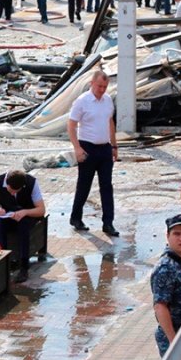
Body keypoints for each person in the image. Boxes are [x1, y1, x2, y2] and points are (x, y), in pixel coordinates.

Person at [68, 70, 119, 236]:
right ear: (92, 83)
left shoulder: (108, 100)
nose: (102, 90)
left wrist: (114, 146)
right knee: (84, 184)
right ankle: (76, 217)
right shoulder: (82, 101)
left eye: (105, 87)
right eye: (99, 86)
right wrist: (77, 148)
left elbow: (110, 123)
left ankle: (108, 223)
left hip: (104, 148)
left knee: (106, 186)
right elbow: (71, 125)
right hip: (87, 147)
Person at [151, 214, 181, 357]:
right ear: (168, 236)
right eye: (176, 234)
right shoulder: (165, 268)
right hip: (175, 337)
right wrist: (174, 342)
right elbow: (160, 307)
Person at [0, 170, 46, 283]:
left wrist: (25, 212)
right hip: (7, 215)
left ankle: (24, 266)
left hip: (26, 215)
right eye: (11, 191)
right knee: (0, 225)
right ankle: (2, 261)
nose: (13, 194)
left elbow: (41, 210)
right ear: (6, 183)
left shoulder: (31, 183)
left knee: (23, 226)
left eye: (16, 191)